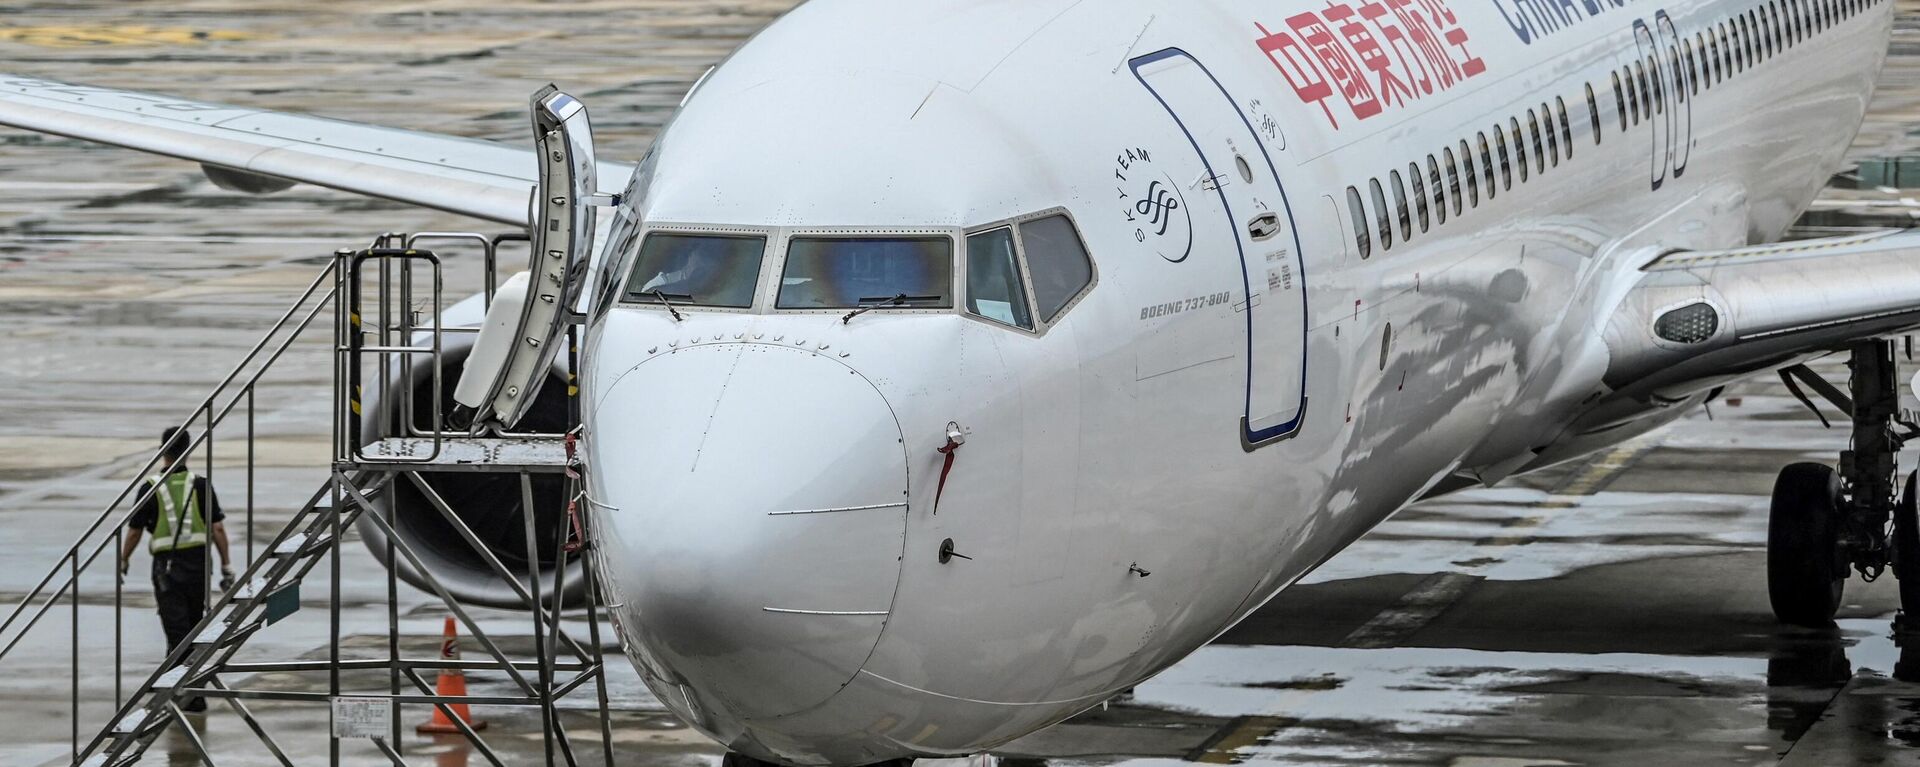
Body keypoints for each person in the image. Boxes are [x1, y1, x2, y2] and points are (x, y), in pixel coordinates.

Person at [118, 427, 234, 713]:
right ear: (188, 449)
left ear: (163, 449)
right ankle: (189, 692)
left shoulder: (151, 486)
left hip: (166, 569)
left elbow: (133, 531)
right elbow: (217, 527)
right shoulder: (201, 485)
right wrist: (226, 564)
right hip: (197, 566)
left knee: (177, 631)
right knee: (192, 631)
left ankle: (184, 693)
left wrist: (124, 560)